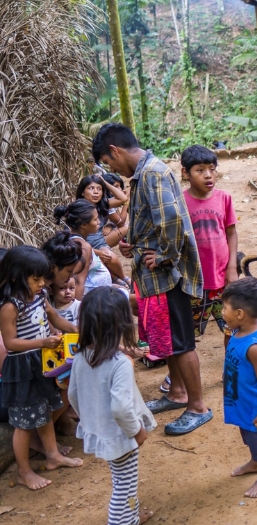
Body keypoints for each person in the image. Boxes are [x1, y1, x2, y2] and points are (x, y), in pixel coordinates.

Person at [92, 123, 211, 436]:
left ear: (114, 151)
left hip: (166, 275)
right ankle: (178, 393)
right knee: (169, 338)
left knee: (181, 340)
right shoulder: (144, 173)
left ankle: (197, 406)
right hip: (153, 276)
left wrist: (164, 257)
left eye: (109, 161)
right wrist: (134, 241)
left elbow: (170, 220)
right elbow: (152, 219)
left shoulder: (154, 172)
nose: (112, 168)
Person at [68, 287, 156, 525]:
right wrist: (137, 430)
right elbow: (120, 408)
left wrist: (90, 421)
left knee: (123, 479)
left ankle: (133, 515)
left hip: (101, 430)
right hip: (122, 435)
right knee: (124, 486)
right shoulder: (120, 364)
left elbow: (73, 395)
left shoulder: (81, 357)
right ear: (122, 324)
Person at [0, 246, 82, 490]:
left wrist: (77, 331)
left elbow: (55, 318)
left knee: (45, 409)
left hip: (40, 362)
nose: (41, 283)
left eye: (43, 279)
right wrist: (42, 342)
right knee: (23, 423)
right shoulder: (9, 307)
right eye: (36, 279)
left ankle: (53, 454)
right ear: (16, 276)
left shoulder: (40, 297)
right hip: (22, 367)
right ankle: (24, 471)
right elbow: (10, 342)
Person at [221, 277, 257, 498]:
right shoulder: (238, 331)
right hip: (242, 399)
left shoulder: (254, 346)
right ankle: (255, 463)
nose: (222, 312)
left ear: (240, 314)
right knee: (249, 435)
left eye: (225, 308)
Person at [181, 145, 238, 342]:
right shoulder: (180, 201)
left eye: (212, 169)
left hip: (223, 278)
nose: (208, 175)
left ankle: (231, 370)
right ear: (185, 173)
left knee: (232, 328)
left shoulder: (224, 198)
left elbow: (231, 233)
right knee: (189, 333)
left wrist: (232, 268)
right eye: (200, 170)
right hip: (194, 282)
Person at [53, 200, 113, 298]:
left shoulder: (74, 239)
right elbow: (78, 282)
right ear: (84, 225)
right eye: (95, 219)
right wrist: (78, 309)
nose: (98, 222)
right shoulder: (84, 247)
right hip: (91, 301)